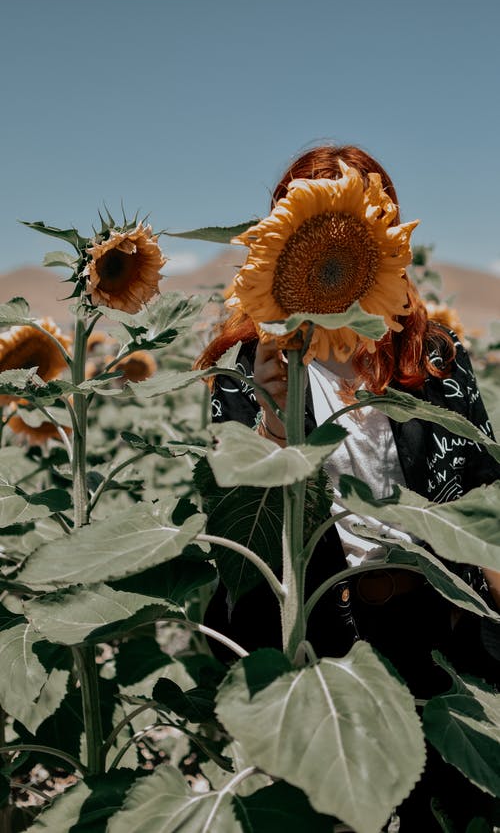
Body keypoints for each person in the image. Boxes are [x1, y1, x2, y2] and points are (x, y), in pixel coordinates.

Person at [196, 145, 500, 829]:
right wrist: (274, 416)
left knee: (446, 803)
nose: (337, 244)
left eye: (359, 218)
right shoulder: (249, 369)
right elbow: (242, 496)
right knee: (330, 805)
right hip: (317, 629)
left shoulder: (436, 354)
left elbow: (485, 491)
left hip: (437, 617)